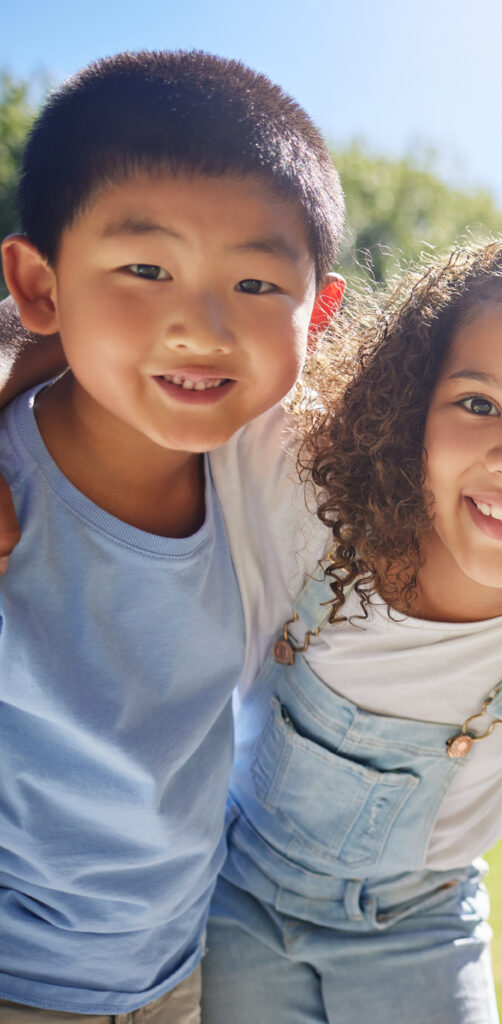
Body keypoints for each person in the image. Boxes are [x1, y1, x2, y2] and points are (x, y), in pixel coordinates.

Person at [198, 237, 502, 1023]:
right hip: (238, 894)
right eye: (478, 404)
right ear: (412, 413)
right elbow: (75, 346)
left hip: (423, 926)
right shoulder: (295, 493)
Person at [0, 51, 345, 1021]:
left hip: (177, 982)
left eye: (255, 284)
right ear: (39, 285)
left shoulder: (270, 480)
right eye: (144, 268)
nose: (200, 326)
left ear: (317, 315)